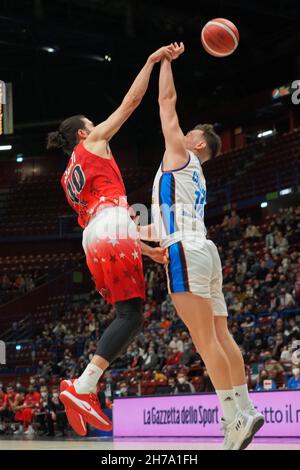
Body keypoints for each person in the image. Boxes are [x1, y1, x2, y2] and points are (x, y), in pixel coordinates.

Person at [139, 42, 264, 450]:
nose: (184, 131)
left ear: (195, 146)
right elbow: (158, 224)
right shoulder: (194, 176)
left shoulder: (178, 155)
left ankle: (232, 418)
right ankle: (245, 408)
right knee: (221, 334)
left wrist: (164, 63)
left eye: (190, 134)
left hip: (186, 249)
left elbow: (166, 101)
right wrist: (137, 235)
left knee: (203, 339)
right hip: (204, 251)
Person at [47, 45, 172, 436]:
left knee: (128, 312)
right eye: (93, 122)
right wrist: (151, 62)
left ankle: (84, 388)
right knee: (131, 315)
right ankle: (83, 387)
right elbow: (131, 103)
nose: (101, 124)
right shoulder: (93, 143)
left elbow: (102, 217)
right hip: (112, 226)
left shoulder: (68, 175)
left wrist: (147, 250)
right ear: (84, 132)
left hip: (95, 236)